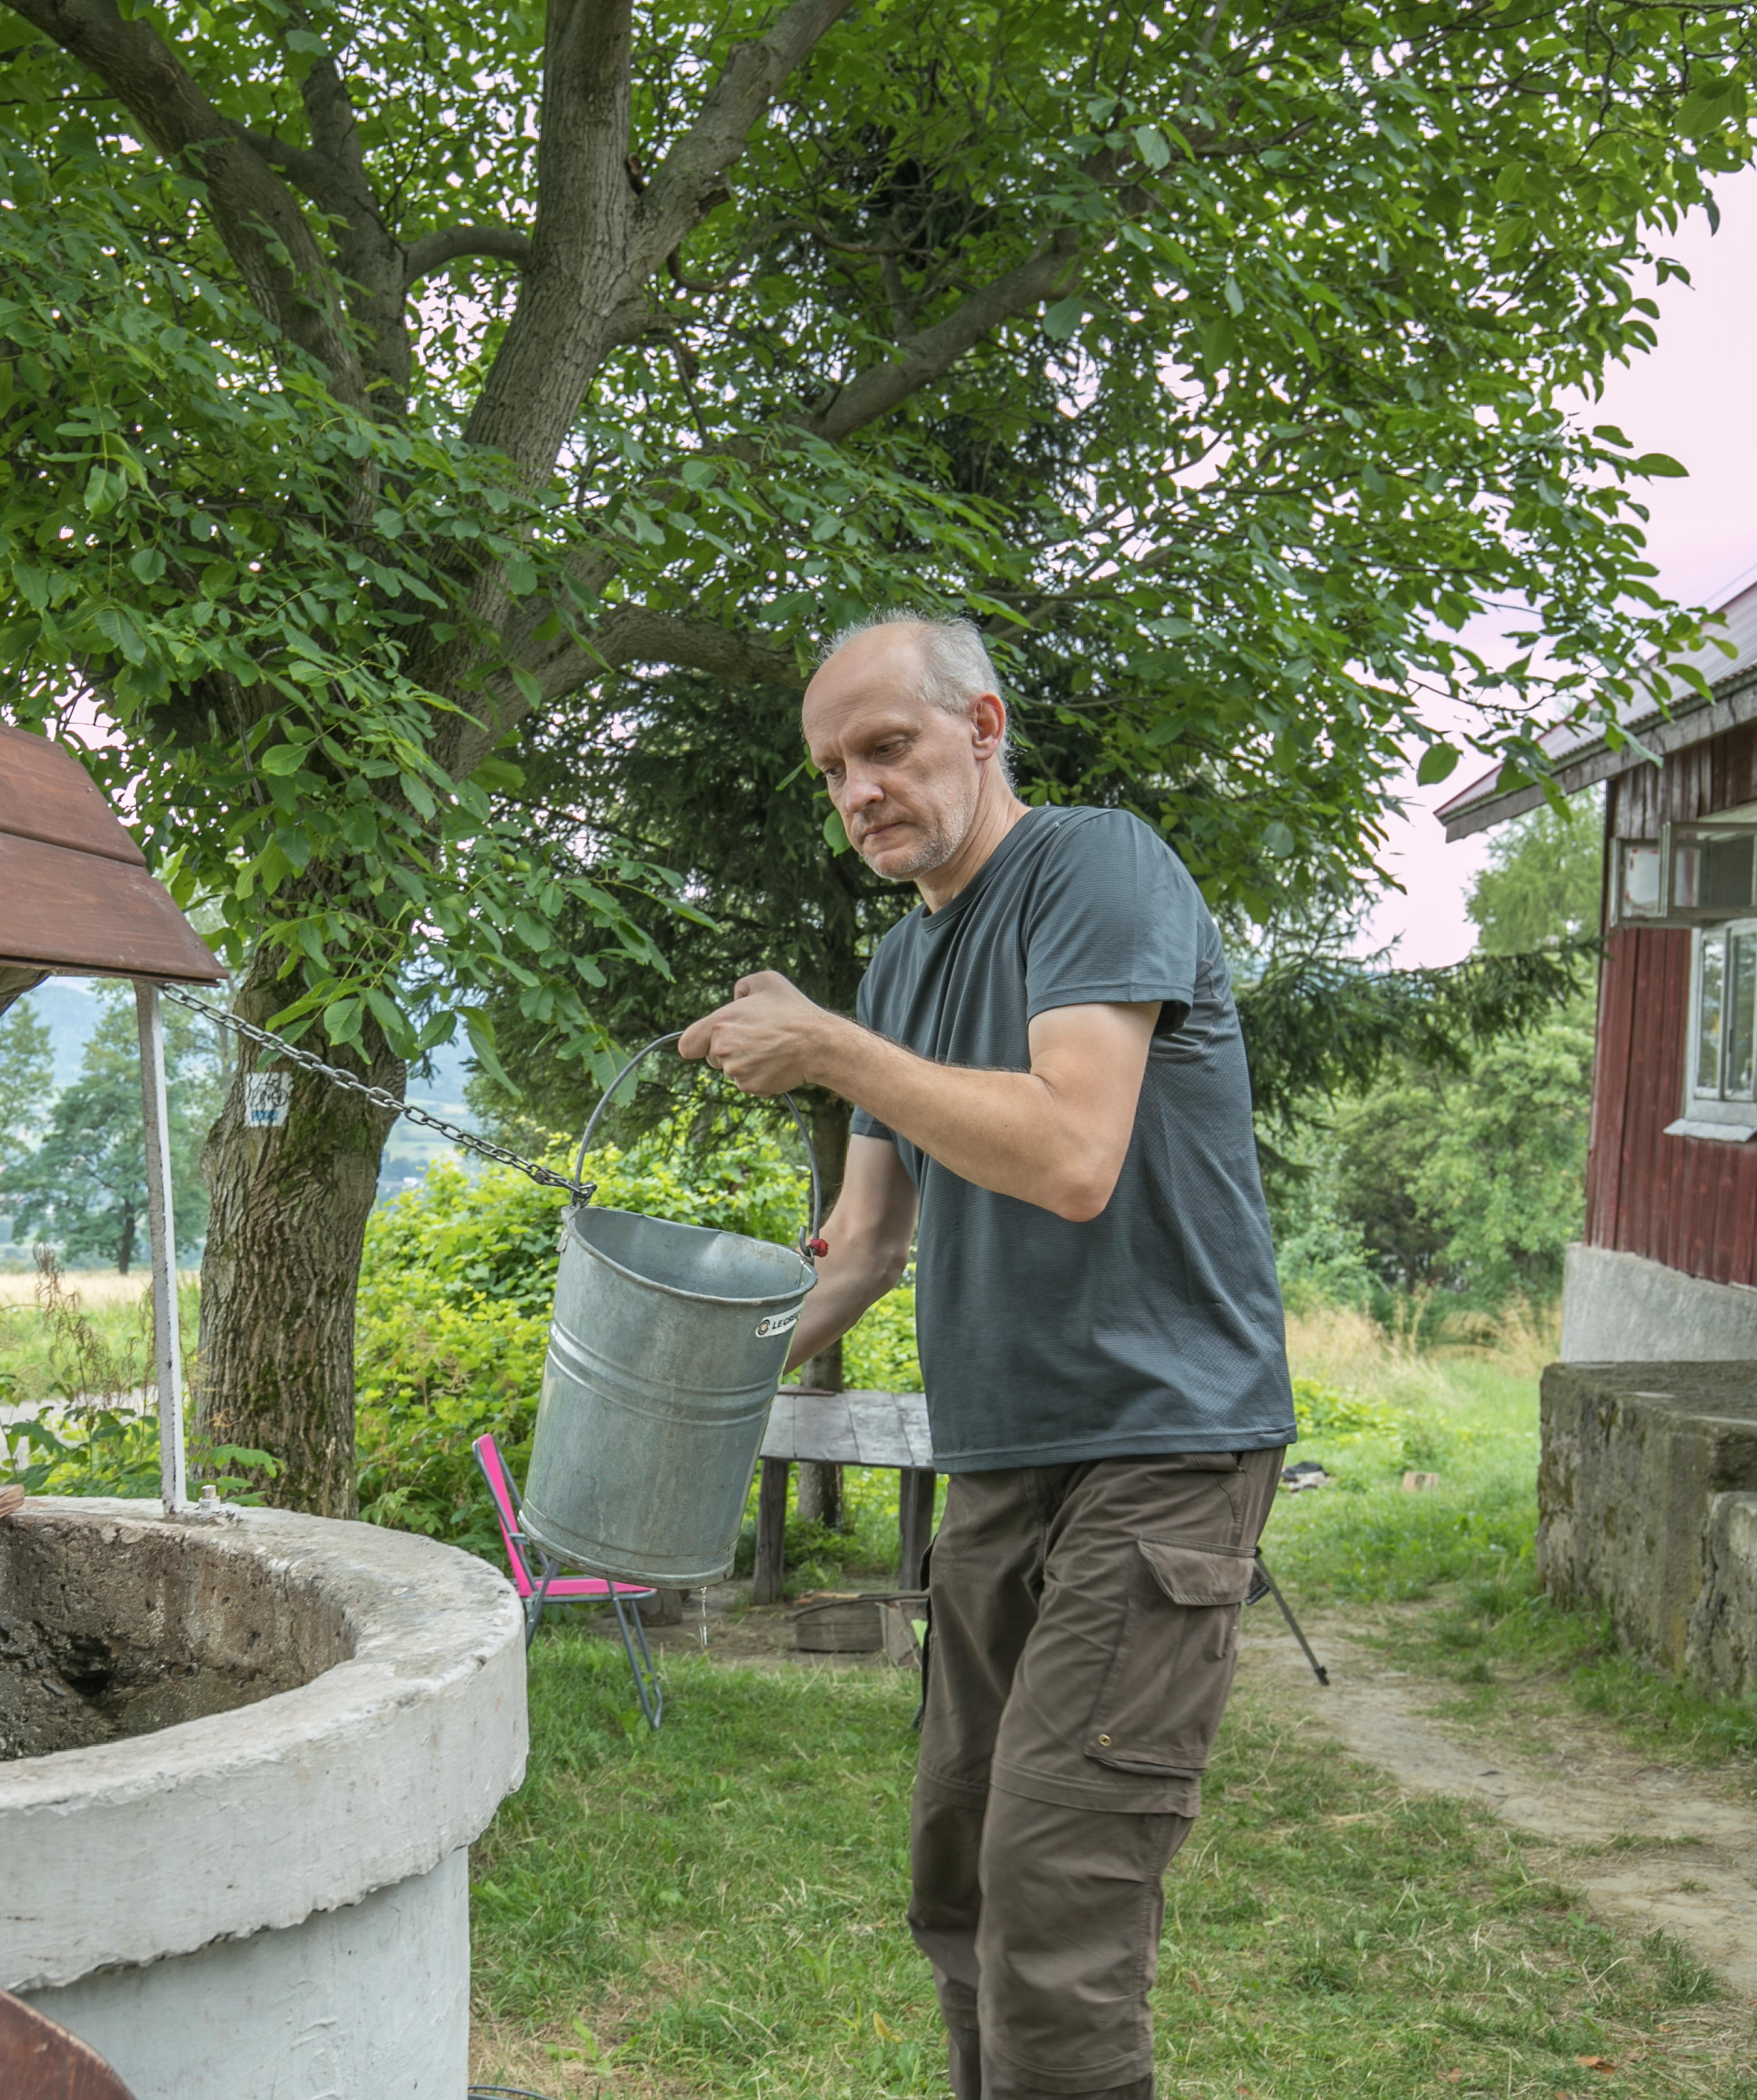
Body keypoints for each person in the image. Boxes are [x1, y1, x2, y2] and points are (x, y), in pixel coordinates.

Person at [676, 612, 1295, 2100]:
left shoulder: (1093, 868)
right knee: (958, 1865)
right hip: (1002, 1467)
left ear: (984, 725)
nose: (859, 793)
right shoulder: (898, 972)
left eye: (886, 748)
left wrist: (828, 1051)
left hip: (1163, 1446)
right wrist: (689, 1380)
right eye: (832, 771)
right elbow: (868, 1249)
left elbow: (1076, 1151)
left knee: (1055, 1891)